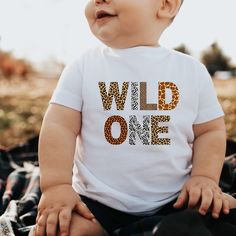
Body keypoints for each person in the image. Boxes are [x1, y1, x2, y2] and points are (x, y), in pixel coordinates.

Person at [33, 0, 231, 235]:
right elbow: (59, 126)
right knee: (60, 229)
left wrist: (204, 177)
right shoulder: (83, 66)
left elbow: (210, 131)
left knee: (213, 218)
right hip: (97, 202)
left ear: (166, 5)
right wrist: (56, 185)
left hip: (175, 200)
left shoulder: (192, 71)